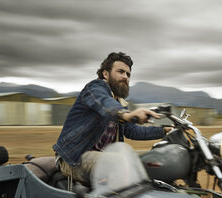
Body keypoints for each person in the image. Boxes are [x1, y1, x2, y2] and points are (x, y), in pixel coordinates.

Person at [53, 52, 171, 187]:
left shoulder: (120, 102)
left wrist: (164, 131)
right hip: (74, 158)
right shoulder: (94, 89)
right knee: (120, 163)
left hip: (100, 157)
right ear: (106, 74)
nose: (125, 77)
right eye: (120, 72)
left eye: (128, 74)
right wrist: (126, 115)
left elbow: (132, 131)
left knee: (146, 160)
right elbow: (104, 103)